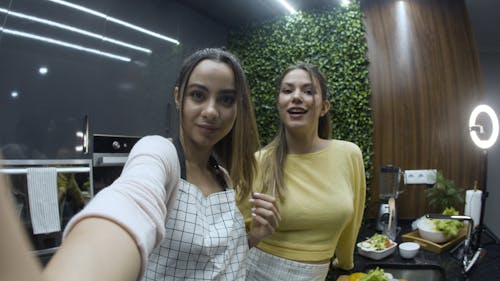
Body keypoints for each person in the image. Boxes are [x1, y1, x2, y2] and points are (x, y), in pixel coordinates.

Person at [40, 48, 280, 281]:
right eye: (198, 95)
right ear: (178, 97)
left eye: (226, 99)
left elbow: (213, 262)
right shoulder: (159, 153)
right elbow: (130, 202)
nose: (211, 111)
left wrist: (253, 238)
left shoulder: (222, 176)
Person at [239, 63, 366, 281]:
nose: (296, 97)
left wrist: (345, 263)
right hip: (256, 272)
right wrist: (254, 234)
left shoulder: (349, 154)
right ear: (280, 103)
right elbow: (232, 238)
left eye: (308, 91)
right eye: (287, 90)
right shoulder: (258, 163)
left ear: (324, 107)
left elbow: (352, 220)